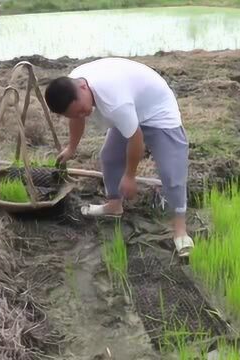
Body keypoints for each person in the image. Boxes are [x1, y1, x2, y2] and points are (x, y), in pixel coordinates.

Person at [44, 57, 194, 257]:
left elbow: (136, 138)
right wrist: (71, 148)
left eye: (82, 109)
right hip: (130, 105)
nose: (83, 114)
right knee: (110, 156)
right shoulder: (71, 87)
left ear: (83, 87)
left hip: (156, 109)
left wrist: (130, 176)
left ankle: (180, 229)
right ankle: (114, 205)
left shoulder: (114, 102)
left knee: (171, 171)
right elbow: (76, 118)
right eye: (76, 113)